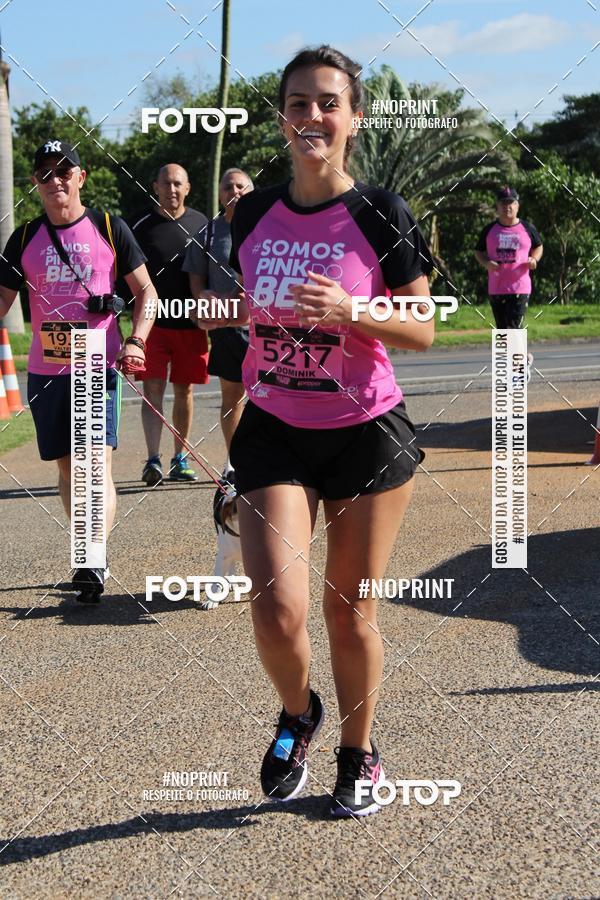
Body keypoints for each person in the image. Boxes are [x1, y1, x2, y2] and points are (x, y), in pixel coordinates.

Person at [196, 46, 434, 817]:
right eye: (299, 103)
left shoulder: (380, 212)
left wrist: (352, 310)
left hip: (364, 430)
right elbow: (258, 303)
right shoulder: (253, 212)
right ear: (282, 117)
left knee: (348, 611)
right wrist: (206, 317)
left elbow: (424, 326)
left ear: (353, 118)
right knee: (274, 610)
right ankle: (299, 713)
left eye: (329, 103)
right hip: (275, 425)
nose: (313, 116)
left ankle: (359, 753)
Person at [0, 139, 156, 602]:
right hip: (46, 370)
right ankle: (87, 549)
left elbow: (147, 293)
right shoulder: (24, 237)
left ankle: (91, 556)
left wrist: (136, 339)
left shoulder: (109, 227)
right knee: (68, 469)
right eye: (45, 174)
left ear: (81, 177)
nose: (55, 180)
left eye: (64, 171)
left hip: (96, 363)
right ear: (35, 182)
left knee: (94, 463)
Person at [129, 164, 209, 485]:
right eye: (166, 184)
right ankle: (153, 460)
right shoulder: (138, 225)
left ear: (187, 188)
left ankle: (180, 458)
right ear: (155, 187)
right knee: (152, 390)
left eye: (178, 184)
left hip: (191, 325)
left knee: (184, 390)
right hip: (152, 324)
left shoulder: (203, 224)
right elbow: (123, 273)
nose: (172, 189)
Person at [184, 168, 253, 454]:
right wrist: (205, 299)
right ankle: (233, 462)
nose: (234, 191)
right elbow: (196, 279)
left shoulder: (265, 228)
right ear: (220, 195)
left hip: (262, 330)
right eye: (227, 187)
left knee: (269, 399)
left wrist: (237, 296)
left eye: (240, 186)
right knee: (232, 399)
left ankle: (265, 464)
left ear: (251, 192)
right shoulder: (208, 233)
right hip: (225, 330)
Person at [475, 186, 543, 378]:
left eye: (511, 203)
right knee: (503, 331)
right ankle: (524, 359)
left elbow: (538, 246)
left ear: (517, 206)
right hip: (496, 288)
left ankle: (519, 372)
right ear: (497, 206)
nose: (507, 207)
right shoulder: (489, 230)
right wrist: (486, 263)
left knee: (514, 328)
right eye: (503, 203)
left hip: (519, 286)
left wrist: (534, 259)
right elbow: (478, 252)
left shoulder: (527, 228)